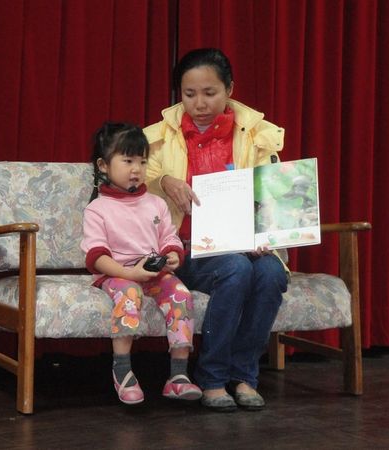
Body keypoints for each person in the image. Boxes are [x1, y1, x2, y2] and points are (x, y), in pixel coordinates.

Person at [144, 48, 289, 412]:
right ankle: (211, 377)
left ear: (229, 90)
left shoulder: (257, 134)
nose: (200, 103)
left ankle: (244, 376)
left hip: (243, 244)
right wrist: (164, 180)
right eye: (189, 94)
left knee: (271, 272)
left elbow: (272, 194)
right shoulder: (157, 137)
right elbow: (134, 177)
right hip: (184, 248)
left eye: (210, 93)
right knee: (234, 268)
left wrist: (262, 236)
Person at [80, 122, 202, 405]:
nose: (136, 169)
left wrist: (173, 253)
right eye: (127, 161)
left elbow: (168, 237)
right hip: (118, 273)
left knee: (181, 294)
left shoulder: (156, 203)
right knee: (129, 293)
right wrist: (129, 273)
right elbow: (97, 256)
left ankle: (178, 375)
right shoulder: (97, 209)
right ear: (103, 165)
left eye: (142, 161)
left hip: (153, 273)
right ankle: (122, 371)